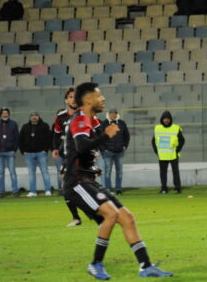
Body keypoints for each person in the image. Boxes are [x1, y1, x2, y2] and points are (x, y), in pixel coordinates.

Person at [64, 82, 172, 279]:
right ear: (88, 100)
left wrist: (94, 153)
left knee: (127, 218)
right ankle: (96, 264)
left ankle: (145, 266)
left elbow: (83, 148)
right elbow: (80, 146)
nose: (103, 98)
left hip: (88, 179)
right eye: (99, 95)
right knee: (111, 216)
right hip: (77, 182)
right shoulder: (79, 119)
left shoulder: (92, 120)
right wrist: (105, 136)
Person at [53, 87, 83, 226]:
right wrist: (55, 148)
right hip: (67, 156)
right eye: (70, 97)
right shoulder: (61, 117)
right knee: (66, 186)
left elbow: (95, 132)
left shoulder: (85, 114)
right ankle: (76, 217)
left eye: (75, 97)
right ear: (66, 100)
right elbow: (56, 134)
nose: (73, 99)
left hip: (82, 154)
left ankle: (100, 213)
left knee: (84, 185)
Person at [19, 111, 53, 197]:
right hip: (29, 154)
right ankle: (33, 191)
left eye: (36, 116)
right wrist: (23, 151)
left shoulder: (45, 126)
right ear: (30, 117)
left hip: (41, 153)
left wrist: (45, 150)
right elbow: (20, 140)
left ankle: (48, 190)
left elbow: (49, 139)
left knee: (45, 172)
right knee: (31, 173)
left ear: (39, 117)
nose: (34, 117)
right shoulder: (25, 127)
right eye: (32, 116)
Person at [0, 108, 20, 198]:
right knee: (1, 173)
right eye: (3, 113)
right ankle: (2, 192)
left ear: (9, 114)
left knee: (12, 172)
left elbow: (17, 138)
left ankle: (15, 191)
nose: (5, 114)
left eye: (6, 113)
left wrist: (14, 149)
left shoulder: (13, 124)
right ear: (0, 114)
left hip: (10, 152)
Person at [151, 111, 184, 194]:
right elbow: (153, 141)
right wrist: (156, 151)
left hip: (173, 154)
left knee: (175, 172)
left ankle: (177, 188)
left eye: (168, 119)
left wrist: (177, 150)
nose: (166, 120)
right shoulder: (157, 128)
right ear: (162, 119)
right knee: (163, 173)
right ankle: (164, 188)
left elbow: (182, 140)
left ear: (170, 119)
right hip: (162, 155)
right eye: (165, 118)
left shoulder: (176, 128)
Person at [101, 108, 130, 195]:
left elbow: (127, 136)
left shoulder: (121, 123)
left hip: (119, 152)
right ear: (108, 114)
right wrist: (104, 149)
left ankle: (118, 189)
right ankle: (108, 189)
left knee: (119, 171)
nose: (113, 114)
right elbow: (99, 137)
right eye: (111, 113)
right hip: (108, 152)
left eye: (115, 113)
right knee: (107, 171)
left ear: (117, 114)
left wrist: (124, 146)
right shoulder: (104, 123)